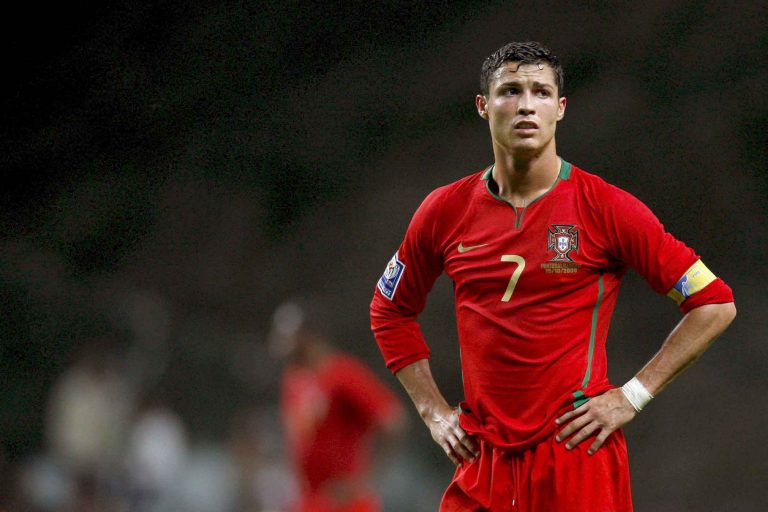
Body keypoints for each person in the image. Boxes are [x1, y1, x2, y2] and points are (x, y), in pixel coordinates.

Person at [369, 41, 736, 512]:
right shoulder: (444, 211)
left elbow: (714, 303)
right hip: (483, 459)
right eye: (510, 91)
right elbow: (390, 310)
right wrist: (433, 412)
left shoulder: (605, 208)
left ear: (560, 108)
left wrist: (632, 396)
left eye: (541, 92)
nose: (526, 105)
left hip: (575, 453)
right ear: (483, 106)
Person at [270, 298, 405, 512]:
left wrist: (365, 481)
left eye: (287, 337)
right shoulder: (293, 378)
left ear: (308, 336)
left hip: (344, 504)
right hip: (308, 500)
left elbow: (392, 420)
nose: (281, 344)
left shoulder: (342, 373)